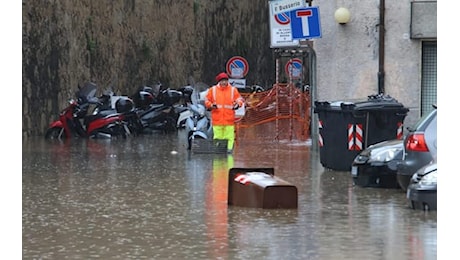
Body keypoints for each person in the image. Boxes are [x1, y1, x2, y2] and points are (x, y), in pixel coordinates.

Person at [205, 72, 244, 153]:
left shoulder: (233, 90)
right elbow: (207, 100)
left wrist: (238, 104)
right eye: (222, 80)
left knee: (230, 137)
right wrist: (211, 105)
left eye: (225, 80)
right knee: (218, 137)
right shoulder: (213, 90)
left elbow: (239, 99)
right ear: (219, 81)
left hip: (229, 119)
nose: (224, 82)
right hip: (217, 119)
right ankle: (218, 152)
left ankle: (229, 152)